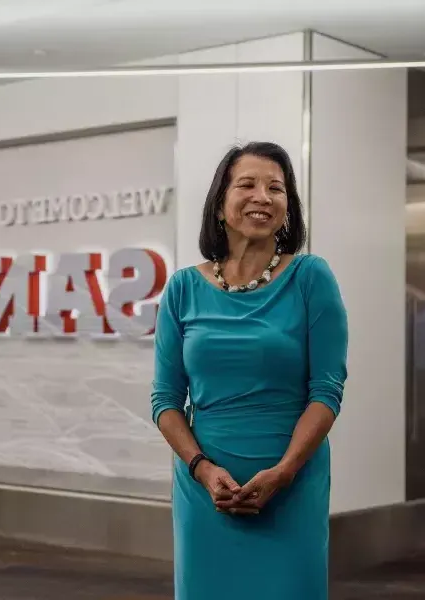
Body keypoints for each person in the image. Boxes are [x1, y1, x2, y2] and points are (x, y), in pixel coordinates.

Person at [150, 141, 348, 599]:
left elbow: (327, 390)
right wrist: (201, 469)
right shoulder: (182, 288)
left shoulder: (311, 277)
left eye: (276, 188)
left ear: (288, 208)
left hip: (291, 485)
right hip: (205, 491)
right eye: (248, 185)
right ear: (220, 204)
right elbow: (164, 398)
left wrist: (284, 472)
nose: (263, 196)